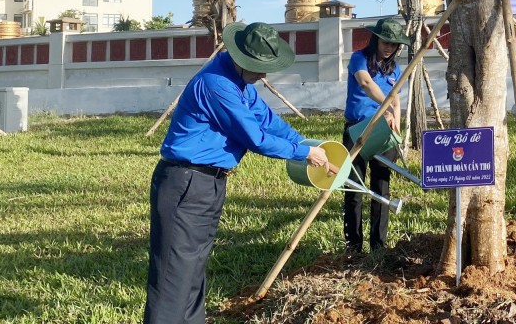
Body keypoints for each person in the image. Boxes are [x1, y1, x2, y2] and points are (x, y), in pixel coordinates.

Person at [145, 22, 330, 324]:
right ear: (241, 60)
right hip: (186, 182)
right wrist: (304, 153)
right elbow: (254, 136)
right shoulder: (217, 85)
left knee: (193, 274)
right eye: (259, 67)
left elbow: (268, 121)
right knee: (172, 278)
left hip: (209, 184)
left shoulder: (240, 84)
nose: (264, 75)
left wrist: (308, 145)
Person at [343, 17, 409, 253]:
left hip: (384, 132)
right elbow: (366, 83)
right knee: (354, 187)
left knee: (382, 187)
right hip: (357, 129)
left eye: (394, 44)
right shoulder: (359, 58)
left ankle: (378, 246)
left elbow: (397, 98)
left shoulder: (396, 69)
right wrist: (387, 105)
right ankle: (353, 244)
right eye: (385, 42)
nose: (389, 47)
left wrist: (397, 125)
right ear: (375, 39)